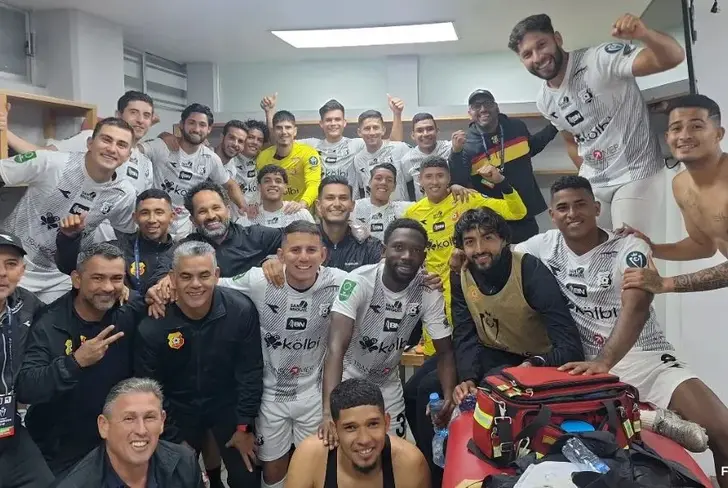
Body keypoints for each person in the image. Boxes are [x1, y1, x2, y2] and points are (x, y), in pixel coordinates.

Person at [514, 175, 728, 486]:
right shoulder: (541, 246)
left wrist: (606, 360)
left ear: (596, 208)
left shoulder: (628, 246)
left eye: (580, 204)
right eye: (563, 207)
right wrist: (458, 261)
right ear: (552, 215)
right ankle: (649, 420)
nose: (572, 213)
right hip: (584, 368)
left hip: (645, 358)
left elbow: (638, 304)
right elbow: (499, 258)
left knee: (723, 432)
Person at [406, 207, 584, 487]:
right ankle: (433, 475)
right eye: (470, 242)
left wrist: (534, 364)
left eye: (487, 238)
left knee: (477, 388)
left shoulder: (528, 270)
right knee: (417, 389)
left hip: (534, 360)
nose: (479, 249)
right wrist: (467, 377)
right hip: (490, 350)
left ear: (503, 239)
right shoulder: (462, 271)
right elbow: (464, 331)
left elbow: (570, 345)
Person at [509, 13, 685, 234]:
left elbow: (673, 57)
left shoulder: (599, 59)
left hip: (635, 173)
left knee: (630, 248)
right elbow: (571, 141)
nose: (537, 57)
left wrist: (645, 34)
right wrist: (586, 176)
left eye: (541, 45)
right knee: (591, 248)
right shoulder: (544, 100)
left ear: (557, 39)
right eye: (527, 54)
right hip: (594, 182)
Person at [218, 221, 348, 488]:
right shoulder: (259, 280)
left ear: (323, 254)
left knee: (315, 467)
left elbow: (378, 280)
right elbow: (213, 283)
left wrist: (423, 280)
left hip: (313, 396)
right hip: (270, 397)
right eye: (295, 250)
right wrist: (166, 284)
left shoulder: (339, 281)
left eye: (311, 250)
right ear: (280, 255)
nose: (303, 257)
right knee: (273, 471)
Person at [134, 241, 264, 488]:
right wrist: (173, 439)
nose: (195, 284)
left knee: (247, 477)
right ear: (172, 278)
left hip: (226, 407)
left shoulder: (240, 310)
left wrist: (244, 427)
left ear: (216, 275)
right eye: (186, 276)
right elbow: (148, 389)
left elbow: (250, 372)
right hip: (177, 411)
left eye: (204, 275)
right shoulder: (153, 324)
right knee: (175, 480)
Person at [16, 243, 147, 477]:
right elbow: (27, 387)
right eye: (98, 278)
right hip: (60, 448)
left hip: (116, 440)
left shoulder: (130, 309)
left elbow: (158, 303)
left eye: (116, 278)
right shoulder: (49, 322)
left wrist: (162, 290)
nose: (108, 287)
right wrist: (75, 363)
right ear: (77, 279)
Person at [322, 219, 457, 444]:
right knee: (351, 447)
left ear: (424, 257)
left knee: (396, 452)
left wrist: (449, 396)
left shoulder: (428, 290)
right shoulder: (359, 281)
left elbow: (445, 352)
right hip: (348, 378)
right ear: (384, 251)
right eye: (399, 247)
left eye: (415, 250)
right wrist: (328, 412)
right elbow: (335, 349)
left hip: (387, 382)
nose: (407, 256)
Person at [0, 118, 138, 303]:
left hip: (61, 277)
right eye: (106, 140)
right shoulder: (50, 162)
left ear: (128, 155)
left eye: (121, 145)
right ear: (90, 143)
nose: (112, 149)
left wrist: (121, 279)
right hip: (12, 265)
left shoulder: (124, 194)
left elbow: (127, 239)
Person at [404, 155, 527, 356]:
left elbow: (517, 212)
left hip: (468, 289)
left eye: (440, 176)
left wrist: (501, 182)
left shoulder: (466, 199)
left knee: (471, 351)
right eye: (429, 176)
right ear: (420, 180)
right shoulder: (412, 213)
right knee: (436, 357)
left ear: (449, 178)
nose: (434, 182)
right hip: (434, 293)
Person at [618, 95, 728, 294]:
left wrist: (666, 283)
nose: (684, 136)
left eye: (696, 126)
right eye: (677, 128)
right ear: (667, 137)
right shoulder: (681, 184)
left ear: (718, 134)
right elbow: (703, 245)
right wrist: (652, 247)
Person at [449, 89, 557, 243]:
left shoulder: (516, 127)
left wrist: (555, 125)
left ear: (497, 107)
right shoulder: (466, 143)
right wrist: (456, 152)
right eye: (477, 106)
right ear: (470, 113)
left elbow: (530, 148)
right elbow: (459, 180)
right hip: (491, 218)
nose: (483, 109)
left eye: (487, 104)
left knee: (528, 253)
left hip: (524, 210)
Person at [0, 90, 155, 197]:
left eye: (146, 115)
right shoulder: (92, 140)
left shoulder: (146, 164)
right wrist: (6, 132)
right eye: (133, 112)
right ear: (118, 115)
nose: (140, 120)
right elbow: (40, 154)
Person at [55, 377, 204, 487]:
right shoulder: (75, 484)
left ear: (162, 421)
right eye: (129, 419)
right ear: (104, 426)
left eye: (149, 417)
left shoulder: (184, 463)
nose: (141, 430)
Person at [285, 378, 430, 488]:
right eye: (350, 428)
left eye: (373, 424)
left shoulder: (410, 463)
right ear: (334, 430)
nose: (364, 439)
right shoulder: (310, 458)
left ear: (386, 423)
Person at [138, 103, 248, 240]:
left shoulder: (211, 159)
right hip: (153, 223)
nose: (196, 129)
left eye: (202, 125)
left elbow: (230, 184)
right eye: (191, 123)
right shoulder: (162, 146)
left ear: (209, 129)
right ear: (181, 125)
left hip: (182, 230)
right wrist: (145, 127)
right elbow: (132, 150)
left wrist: (244, 207)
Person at [0, 233, 55, 487]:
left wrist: (124, 291)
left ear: (22, 270)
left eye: (10, 264)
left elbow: (67, 311)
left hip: (9, 429)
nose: (2, 273)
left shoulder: (26, 303)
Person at [56, 188, 175, 294]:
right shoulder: (117, 248)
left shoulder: (180, 253)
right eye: (145, 213)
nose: (152, 220)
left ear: (171, 217)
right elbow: (69, 267)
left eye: (159, 212)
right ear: (135, 218)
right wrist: (69, 239)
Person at [262, 96, 404, 182]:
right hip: (321, 209)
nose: (333, 123)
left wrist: (397, 114)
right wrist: (269, 113)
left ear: (344, 122)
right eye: (328, 120)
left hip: (350, 207)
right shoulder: (311, 145)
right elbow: (280, 141)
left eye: (337, 119)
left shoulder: (357, 144)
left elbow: (394, 146)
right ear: (321, 123)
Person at [316, 176, 385, 272]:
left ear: (352, 205)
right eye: (330, 198)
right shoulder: (304, 243)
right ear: (318, 205)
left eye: (343, 198)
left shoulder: (369, 245)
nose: (337, 204)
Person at [256, 110, 322, 210]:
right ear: (273, 131)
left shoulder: (308, 153)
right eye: (279, 128)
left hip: (301, 212)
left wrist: (301, 205)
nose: (284, 132)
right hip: (273, 212)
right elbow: (259, 188)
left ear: (295, 131)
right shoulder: (263, 157)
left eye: (288, 127)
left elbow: (314, 184)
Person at [401, 113, 465, 200]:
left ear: (437, 131)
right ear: (413, 135)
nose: (425, 134)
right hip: (424, 207)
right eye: (420, 130)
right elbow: (405, 190)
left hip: (453, 204)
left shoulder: (452, 148)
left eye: (429, 129)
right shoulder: (407, 160)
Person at [353, 109, 412, 201]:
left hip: (400, 208)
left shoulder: (400, 148)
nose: (372, 133)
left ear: (383, 130)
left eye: (376, 128)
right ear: (359, 132)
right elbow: (362, 187)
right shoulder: (358, 159)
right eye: (367, 128)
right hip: (373, 209)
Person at [351, 163, 413, 242]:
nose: (383, 182)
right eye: (378, 178)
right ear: (369, 182)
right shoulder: (354, 207)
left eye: (389, 180)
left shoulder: (405, 208)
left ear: (394, 186)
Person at [241, 165, 315, 228]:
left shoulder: (300, 214)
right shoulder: (248, 217)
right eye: (267, 181)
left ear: (285, 187)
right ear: (259, 187)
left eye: (278, 181)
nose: (273, 184)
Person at [230, 119, 270, 205]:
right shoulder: (229, 159)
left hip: (257, 211)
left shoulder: (264, 161)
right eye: (251, 137)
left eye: (259, 140)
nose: (255, 142)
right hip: (234, 211)